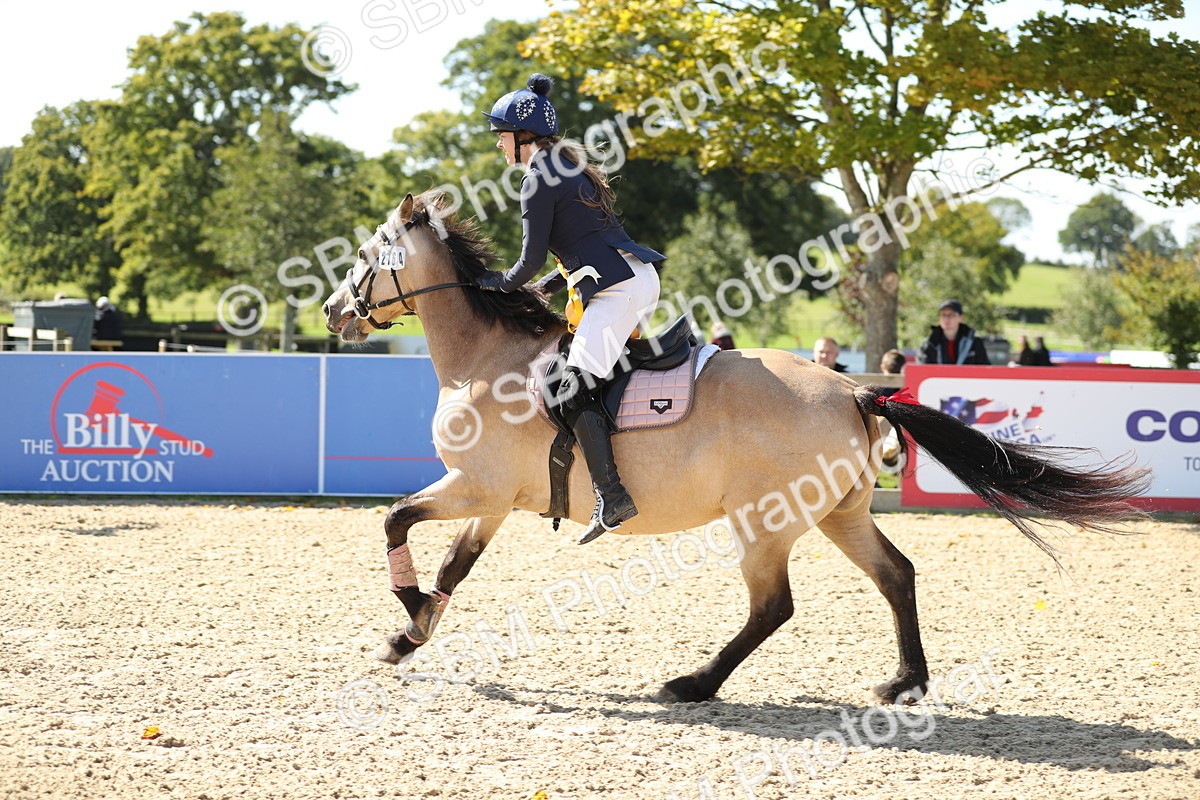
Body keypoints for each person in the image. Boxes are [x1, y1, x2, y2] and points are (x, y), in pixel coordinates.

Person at [475, 74, 665, 545]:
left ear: (523, 138)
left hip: (617, 290)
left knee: (568, 386)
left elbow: (528, 258)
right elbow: (583, 247)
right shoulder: (567, 167)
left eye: (501, 136)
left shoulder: (538, 176)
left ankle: (613, 494)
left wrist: (493, 286)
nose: (499, 145)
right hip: (630, 278)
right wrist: (549, 283)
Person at [918, 300, 990, 365]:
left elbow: (985, 370)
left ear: (961, 318)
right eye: (943, 315)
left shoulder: (974, 344)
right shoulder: (929, 345)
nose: (946, 319)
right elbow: (922, 370)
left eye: (951, 315)